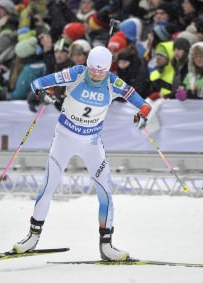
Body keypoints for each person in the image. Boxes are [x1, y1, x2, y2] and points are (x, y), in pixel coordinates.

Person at [12, 46, 152, 261]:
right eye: (92, 70)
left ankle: (107, 246)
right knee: (49, 185)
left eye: (100, 71)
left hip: (92, 142)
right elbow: (38, 83)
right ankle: (32, 237)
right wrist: (43, 94)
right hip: (64, 138)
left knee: (105, 191)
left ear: (107, 69)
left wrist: (142, 114)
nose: (95, 75)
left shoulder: (113, 82)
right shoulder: (76, 73)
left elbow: (143, 104)